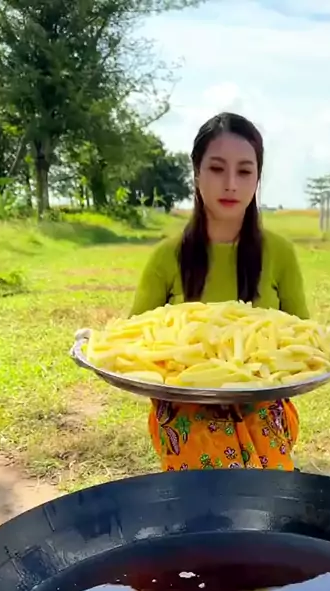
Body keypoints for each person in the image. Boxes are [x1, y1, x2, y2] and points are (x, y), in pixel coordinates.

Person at [130, 112, 310, 472]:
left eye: (244, 171)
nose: (230, 184)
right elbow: (133, 345)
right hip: (185, 412)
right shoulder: (167, 257)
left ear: (257, 178)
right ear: (197, 173)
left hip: (262, 408)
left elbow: (305, 341)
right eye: (216, 169)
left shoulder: (280, 254)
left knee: (263, 495)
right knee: (206, 485)